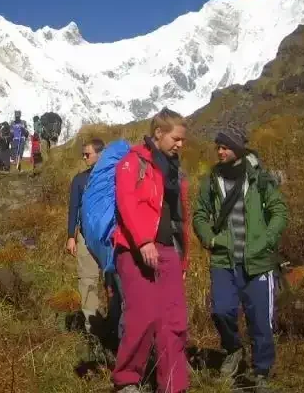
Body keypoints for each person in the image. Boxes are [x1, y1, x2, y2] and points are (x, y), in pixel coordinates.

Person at [192, 124, 288, 392]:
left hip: (257, 262)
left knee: (260, 320)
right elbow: (200, 213)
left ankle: (261, 372)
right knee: (221, 310)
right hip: (224, 260)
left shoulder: (258, 177)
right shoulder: (212, 179)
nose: (220, 152)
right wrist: (209, 238)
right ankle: (233, 350)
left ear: (237, 148)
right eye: (218, 147)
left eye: (225, 147)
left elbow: (279, 211)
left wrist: (266, 241)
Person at [111, 108, 191, 393]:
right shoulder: (133, 163)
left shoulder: (175, 171)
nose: (180, 144)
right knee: (143, 316)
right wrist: (144, 241)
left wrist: (184, 257)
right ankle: (127, 380)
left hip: (169, 250)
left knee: (174, 322)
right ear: (159, 133)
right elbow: (126, 202)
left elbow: (181, 216)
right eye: (176, 138)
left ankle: (173, 385)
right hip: (135, 250)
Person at [65, 138, 105, 333]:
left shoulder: (114, 177)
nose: (84, 158)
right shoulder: (79, 179)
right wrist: (71, 236)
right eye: (83, 154)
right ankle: (92, 326)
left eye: (87, 154)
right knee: (87, 279)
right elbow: (73, 208)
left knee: (112, 280)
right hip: (85, 236)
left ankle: (115, 323)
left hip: (109, 237)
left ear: (100, 154)